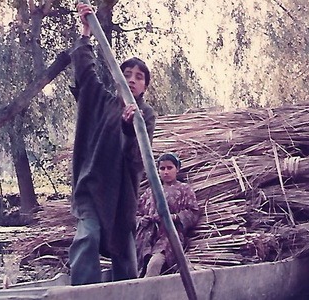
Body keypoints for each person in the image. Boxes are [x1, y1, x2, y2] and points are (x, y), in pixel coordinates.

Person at [68, 3, 156, 285]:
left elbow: (138, 160)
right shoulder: (101, 100)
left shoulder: (145, 115)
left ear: (144, 87)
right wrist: (85, 31)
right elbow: (85, 70)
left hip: (121, 196)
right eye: (127, 74)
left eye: (139, 77)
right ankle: (84, 292)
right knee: (88, 237)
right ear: (119, 78)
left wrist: (130, 129)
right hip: (92, 186)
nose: (131, 80)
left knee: (125, 258)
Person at [136, 153, 200, 277]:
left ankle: (145, 294)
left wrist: (174, 217)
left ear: (177, 169)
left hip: (169, 236)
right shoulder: (149, 192)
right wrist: (141, 220)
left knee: (155, 264)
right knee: (139, 265)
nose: (166, 172)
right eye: (162, 168)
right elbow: (136, 213)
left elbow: (193, 212)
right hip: (147, 237)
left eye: (169, 168)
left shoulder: (184, 189)